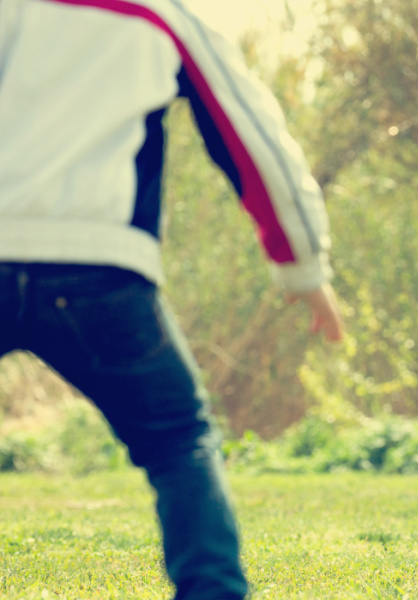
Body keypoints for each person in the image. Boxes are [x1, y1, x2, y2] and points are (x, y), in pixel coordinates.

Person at [0, 1, 344, 598]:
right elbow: (253, 143)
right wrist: (304, 269)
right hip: (99, 269)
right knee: (178, 443)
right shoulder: (159, 15)